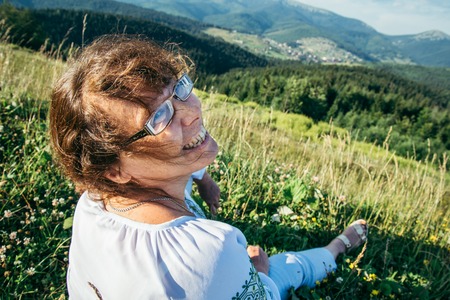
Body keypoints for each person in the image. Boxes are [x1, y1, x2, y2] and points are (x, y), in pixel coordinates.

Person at [49, 34, 368, 300]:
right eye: (158, 118)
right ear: (114, 169)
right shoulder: (209, 252)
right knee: (287, 266)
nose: (192, 113)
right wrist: (257, 273)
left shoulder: (92, 203)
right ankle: (337, 246)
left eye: (178, 89)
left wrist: (202, 178)